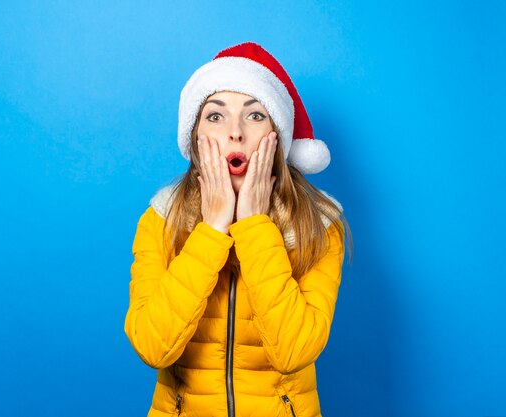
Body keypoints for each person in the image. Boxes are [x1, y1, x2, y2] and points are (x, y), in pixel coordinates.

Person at [125, 42, 352, 417]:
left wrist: (253, 226)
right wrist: (212, 229)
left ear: (277, 134)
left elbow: (294, 351)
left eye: (255, 115)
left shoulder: (319, 225)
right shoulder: (161, 218)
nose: (235, 133)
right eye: (215, 116)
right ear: (194, 135)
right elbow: (152, 345)